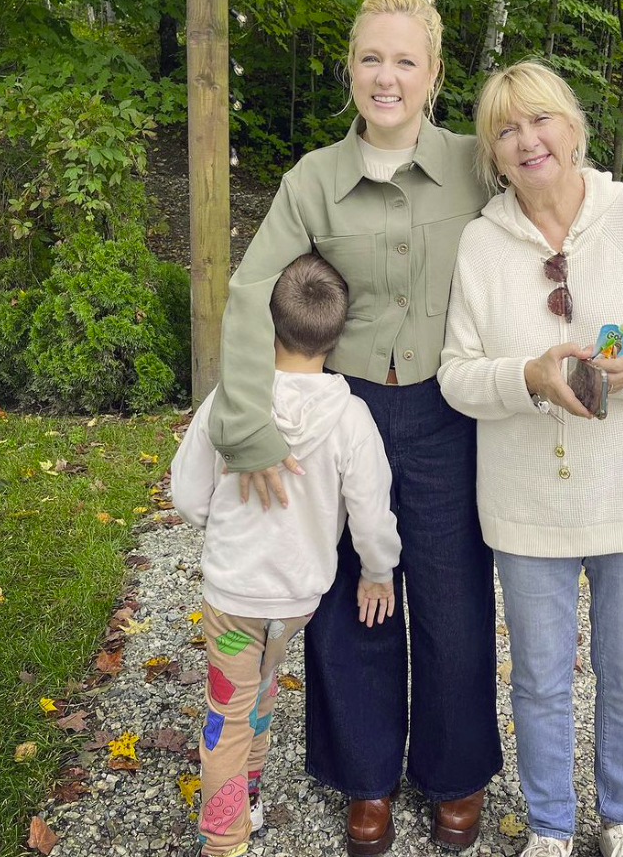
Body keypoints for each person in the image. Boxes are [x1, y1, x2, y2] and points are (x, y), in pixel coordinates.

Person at [207, 0, 503, 854]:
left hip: (450, 413)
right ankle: (365, 778)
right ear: (349, 69)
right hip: (348, 413)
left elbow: (558, 199)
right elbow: (251, 294)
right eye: (370, 58)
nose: (387, 77)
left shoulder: (471, 161)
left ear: (434, 75)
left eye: (405, 62)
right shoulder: (312, 180)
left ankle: (454, 775)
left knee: (453, 600)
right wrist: (250, 424)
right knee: (349, 601)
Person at [437, 61, 623, 857]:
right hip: (529, 506)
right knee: (538, 682)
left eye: (541, 121)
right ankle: (553, 828)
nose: (528, 141)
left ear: (573, 125)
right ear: (492, 156)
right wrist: (526, 377)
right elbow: (457, 375)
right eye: (506, 130)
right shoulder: (480, 244)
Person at [172, 254, 402, 857]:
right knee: (263, 692)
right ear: (339, 333)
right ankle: (247, 798)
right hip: (296, 600)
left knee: (227, 710)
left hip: (232, 597)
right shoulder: (352, 418)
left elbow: (187, 494)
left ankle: (223, 842)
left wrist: (215, 522)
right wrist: (378, 572)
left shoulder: (231, 403)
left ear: (267, 327)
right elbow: (373, 515)